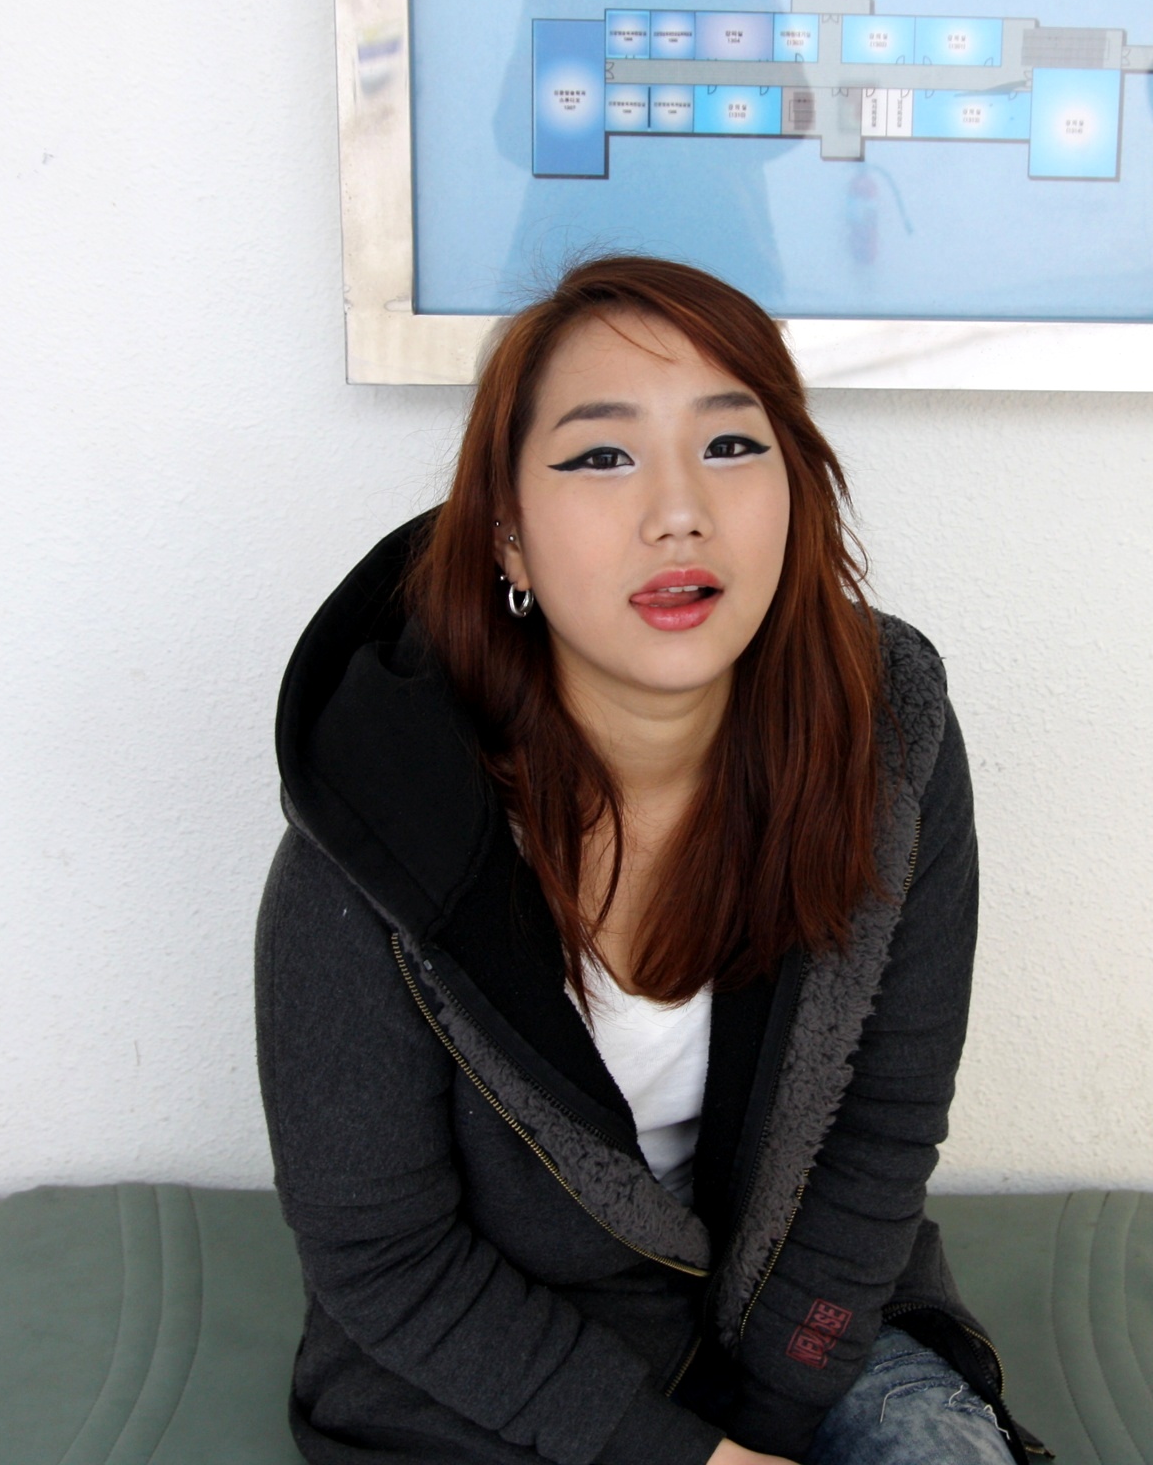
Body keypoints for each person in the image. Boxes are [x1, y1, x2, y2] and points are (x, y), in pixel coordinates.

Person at [257, 256, 1037, 1465]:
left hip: (795, 1328)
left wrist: (766, 1425)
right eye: (601, 455)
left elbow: (879, 1134)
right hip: (507, 1379)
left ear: (797, 493)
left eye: (730, 445)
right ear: (508, 539)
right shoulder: (377, 823)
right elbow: (387, 1257)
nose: (679, 509)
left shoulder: (888, 740)